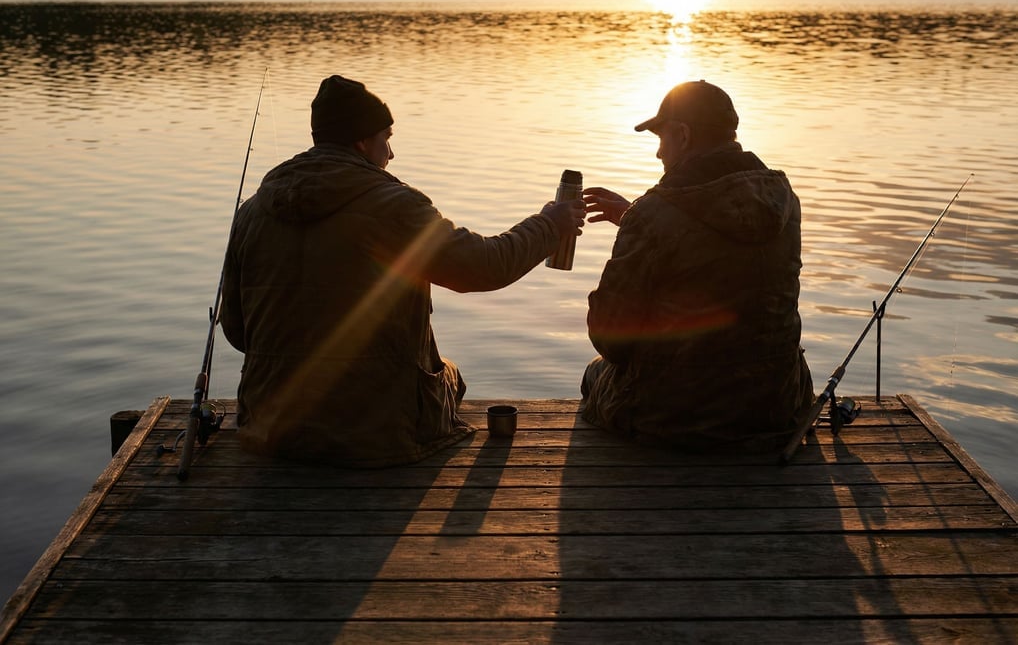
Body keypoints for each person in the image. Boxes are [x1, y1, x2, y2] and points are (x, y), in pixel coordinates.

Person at [221, 75, 584, 467]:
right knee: (450, 376)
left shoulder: (253, 210)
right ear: (363, 141)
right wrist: (550, 225)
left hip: (272, 430)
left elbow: (237, 332)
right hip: (375, 437)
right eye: (386, 137)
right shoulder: (395, 207)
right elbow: (484, 267)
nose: (390, 153)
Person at [580, 80, 813, 452]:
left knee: (595, 373)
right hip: (776, 408)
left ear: (684, 135)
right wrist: (635, 220)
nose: (658, 153)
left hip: (674, 418)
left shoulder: (653, 214)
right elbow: (719, 249)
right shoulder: (784, 203)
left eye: (661, 138)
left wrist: (639, 225)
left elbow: (612, 340)